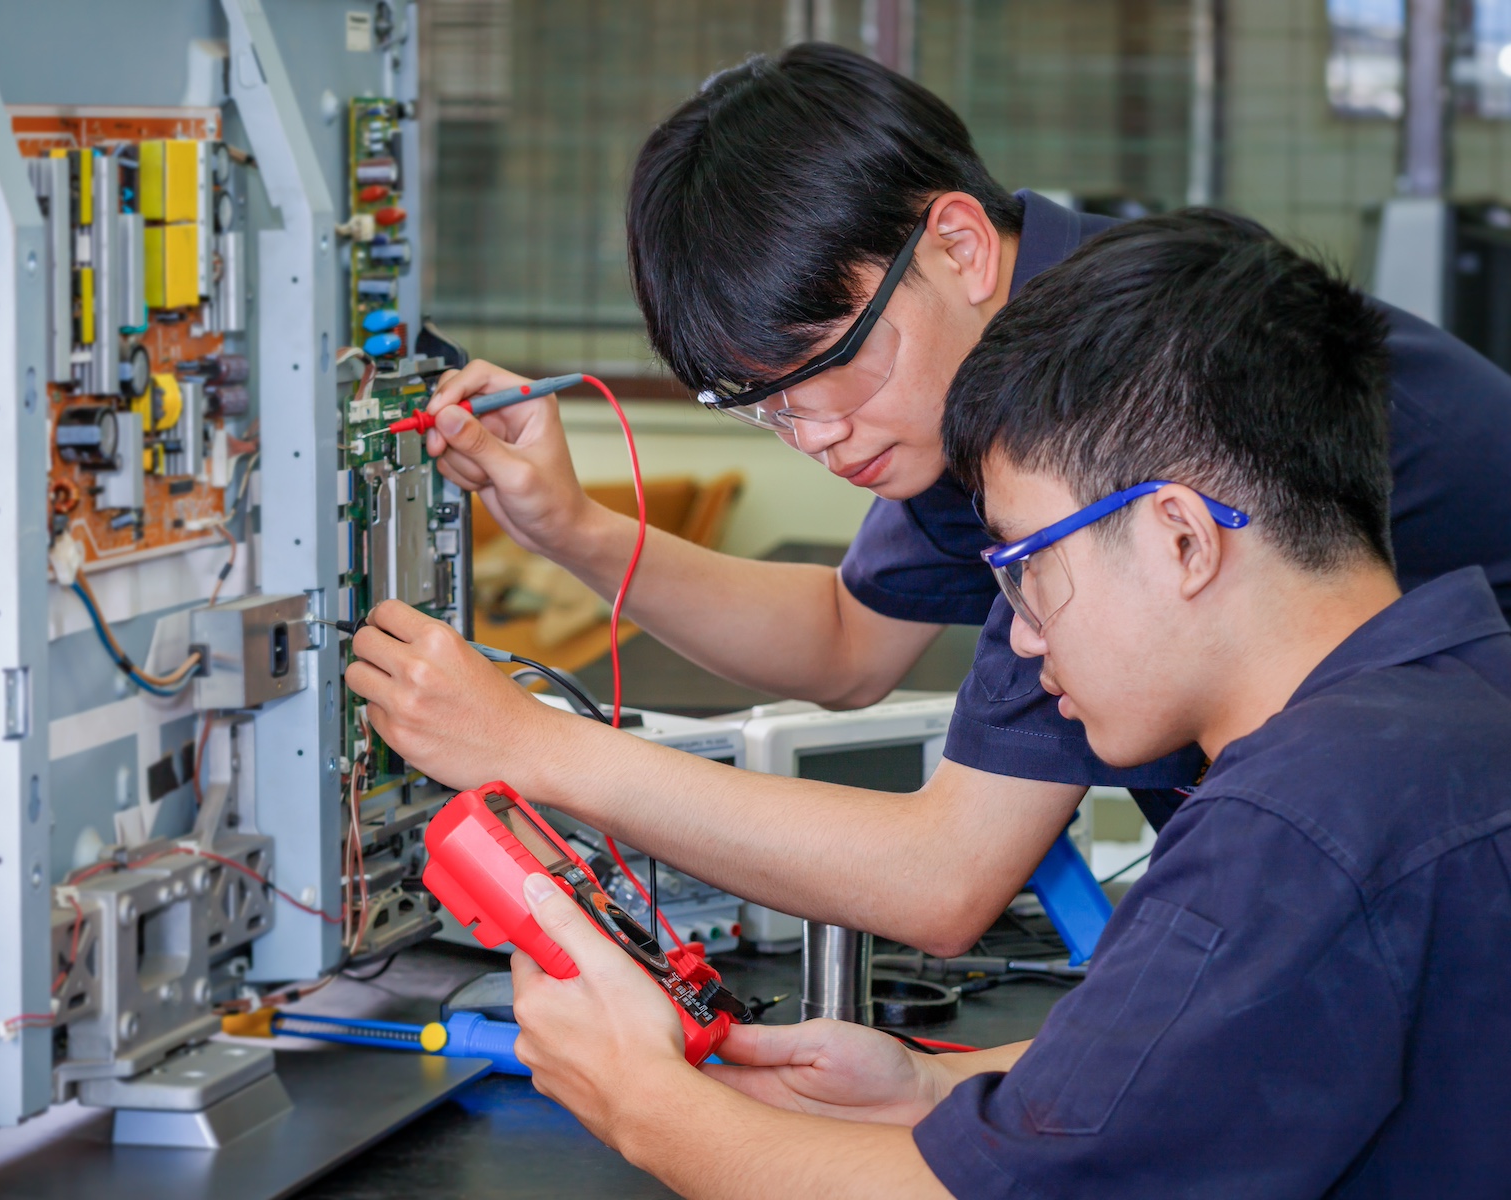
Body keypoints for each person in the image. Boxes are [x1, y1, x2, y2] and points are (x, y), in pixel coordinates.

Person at [344, 42, 1511, 957]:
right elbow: (850, 641)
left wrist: (532, 748)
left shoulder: (1121, 386)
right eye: (765, 408)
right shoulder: (1003, 361)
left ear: (956, 243)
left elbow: (942, 879)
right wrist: (572, 530)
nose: (817, 438)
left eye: (829, 369)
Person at [489, 212, 1509, 1197]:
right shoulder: (1460, 695)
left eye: (1025, 566)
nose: (1019, 636)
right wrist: (935, 1085)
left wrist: (636, 1096)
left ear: (1184, 539)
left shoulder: (1289, 829)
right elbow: (1225, 1057)